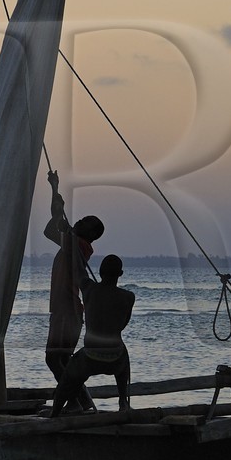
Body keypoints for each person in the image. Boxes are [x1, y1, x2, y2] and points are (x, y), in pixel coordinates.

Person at [43, 170, 102, 410]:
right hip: (66, 311)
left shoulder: (78, 245)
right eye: (82, 219)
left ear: (91, 234)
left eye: (85, 222)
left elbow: (51, 229)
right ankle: (82, 401)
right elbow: (55, 223)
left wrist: (56, 197)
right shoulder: (73, 242)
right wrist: (54, 189)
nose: (80, 221)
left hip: (67, 311)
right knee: (63, 359)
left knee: (53, 358)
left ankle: (76, 402)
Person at [52, 253, 135, 417]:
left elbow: (79, 271)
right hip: (115, 357)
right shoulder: (128, 297)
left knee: (67, 379)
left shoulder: (89, 289)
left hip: (90, 357)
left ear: (100, 271)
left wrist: (74, 249)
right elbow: (122, 325)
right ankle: (123, 401)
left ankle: (55, 412)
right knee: (123, 354)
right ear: (120, 274)